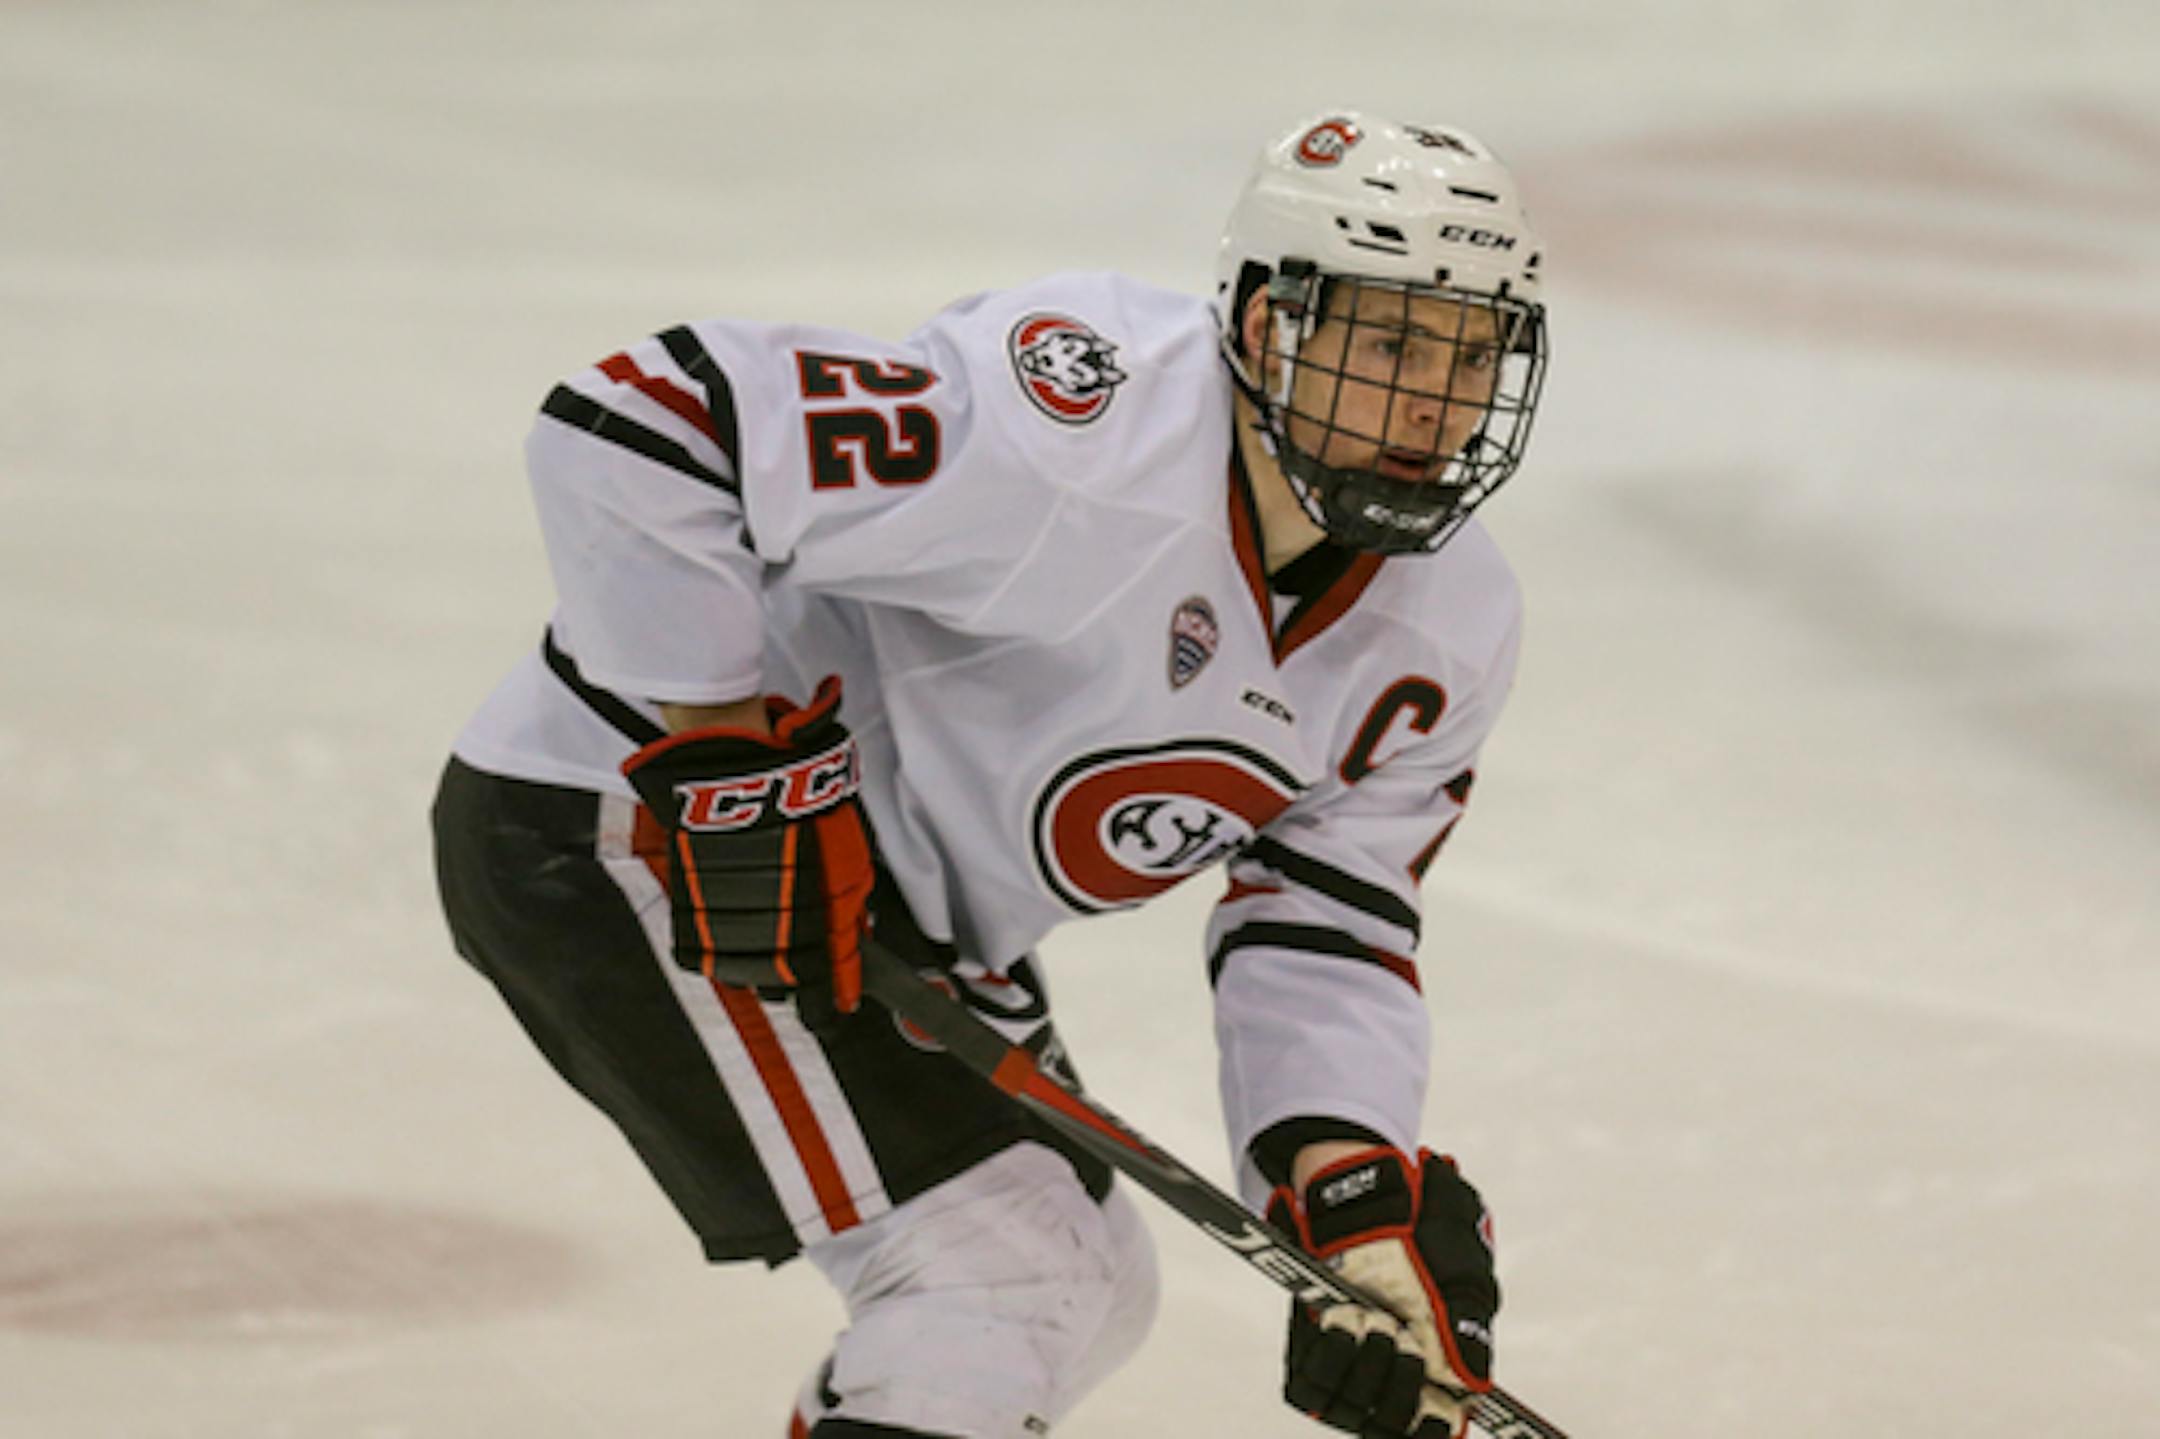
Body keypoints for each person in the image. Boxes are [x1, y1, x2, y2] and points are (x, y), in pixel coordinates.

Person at [431, 108, 1550, 1439]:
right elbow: (643, 421)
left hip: (887, 907)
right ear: (1268, 329)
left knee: (1081, 1280)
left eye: (1472, 354)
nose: (1435, 404)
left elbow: (1327, 920)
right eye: (1392, 345)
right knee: (1000, 1278)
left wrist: (1347, 1188)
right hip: (626, 829)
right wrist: (732, 773)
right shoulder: (1076, 434)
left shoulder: (1447, 628)